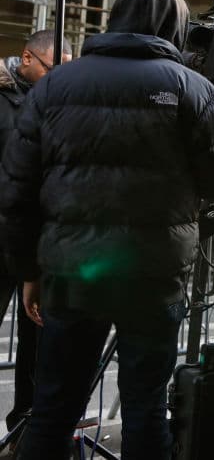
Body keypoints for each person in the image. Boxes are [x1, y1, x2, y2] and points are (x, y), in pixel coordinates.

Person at [0, 0, 214, 459]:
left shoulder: (54, 84)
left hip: (73, 270)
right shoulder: (192, 89)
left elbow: (16, 189)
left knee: (53, 407)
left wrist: (28, 271)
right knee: (146, 408)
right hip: (153, 274)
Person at [0, 30, 71, 437]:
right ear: (27, 58)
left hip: (37, 246)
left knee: (35, 348)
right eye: (51, 69)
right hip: (4, 236)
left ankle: (23, 431)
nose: (57, 79)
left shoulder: (55, 104)